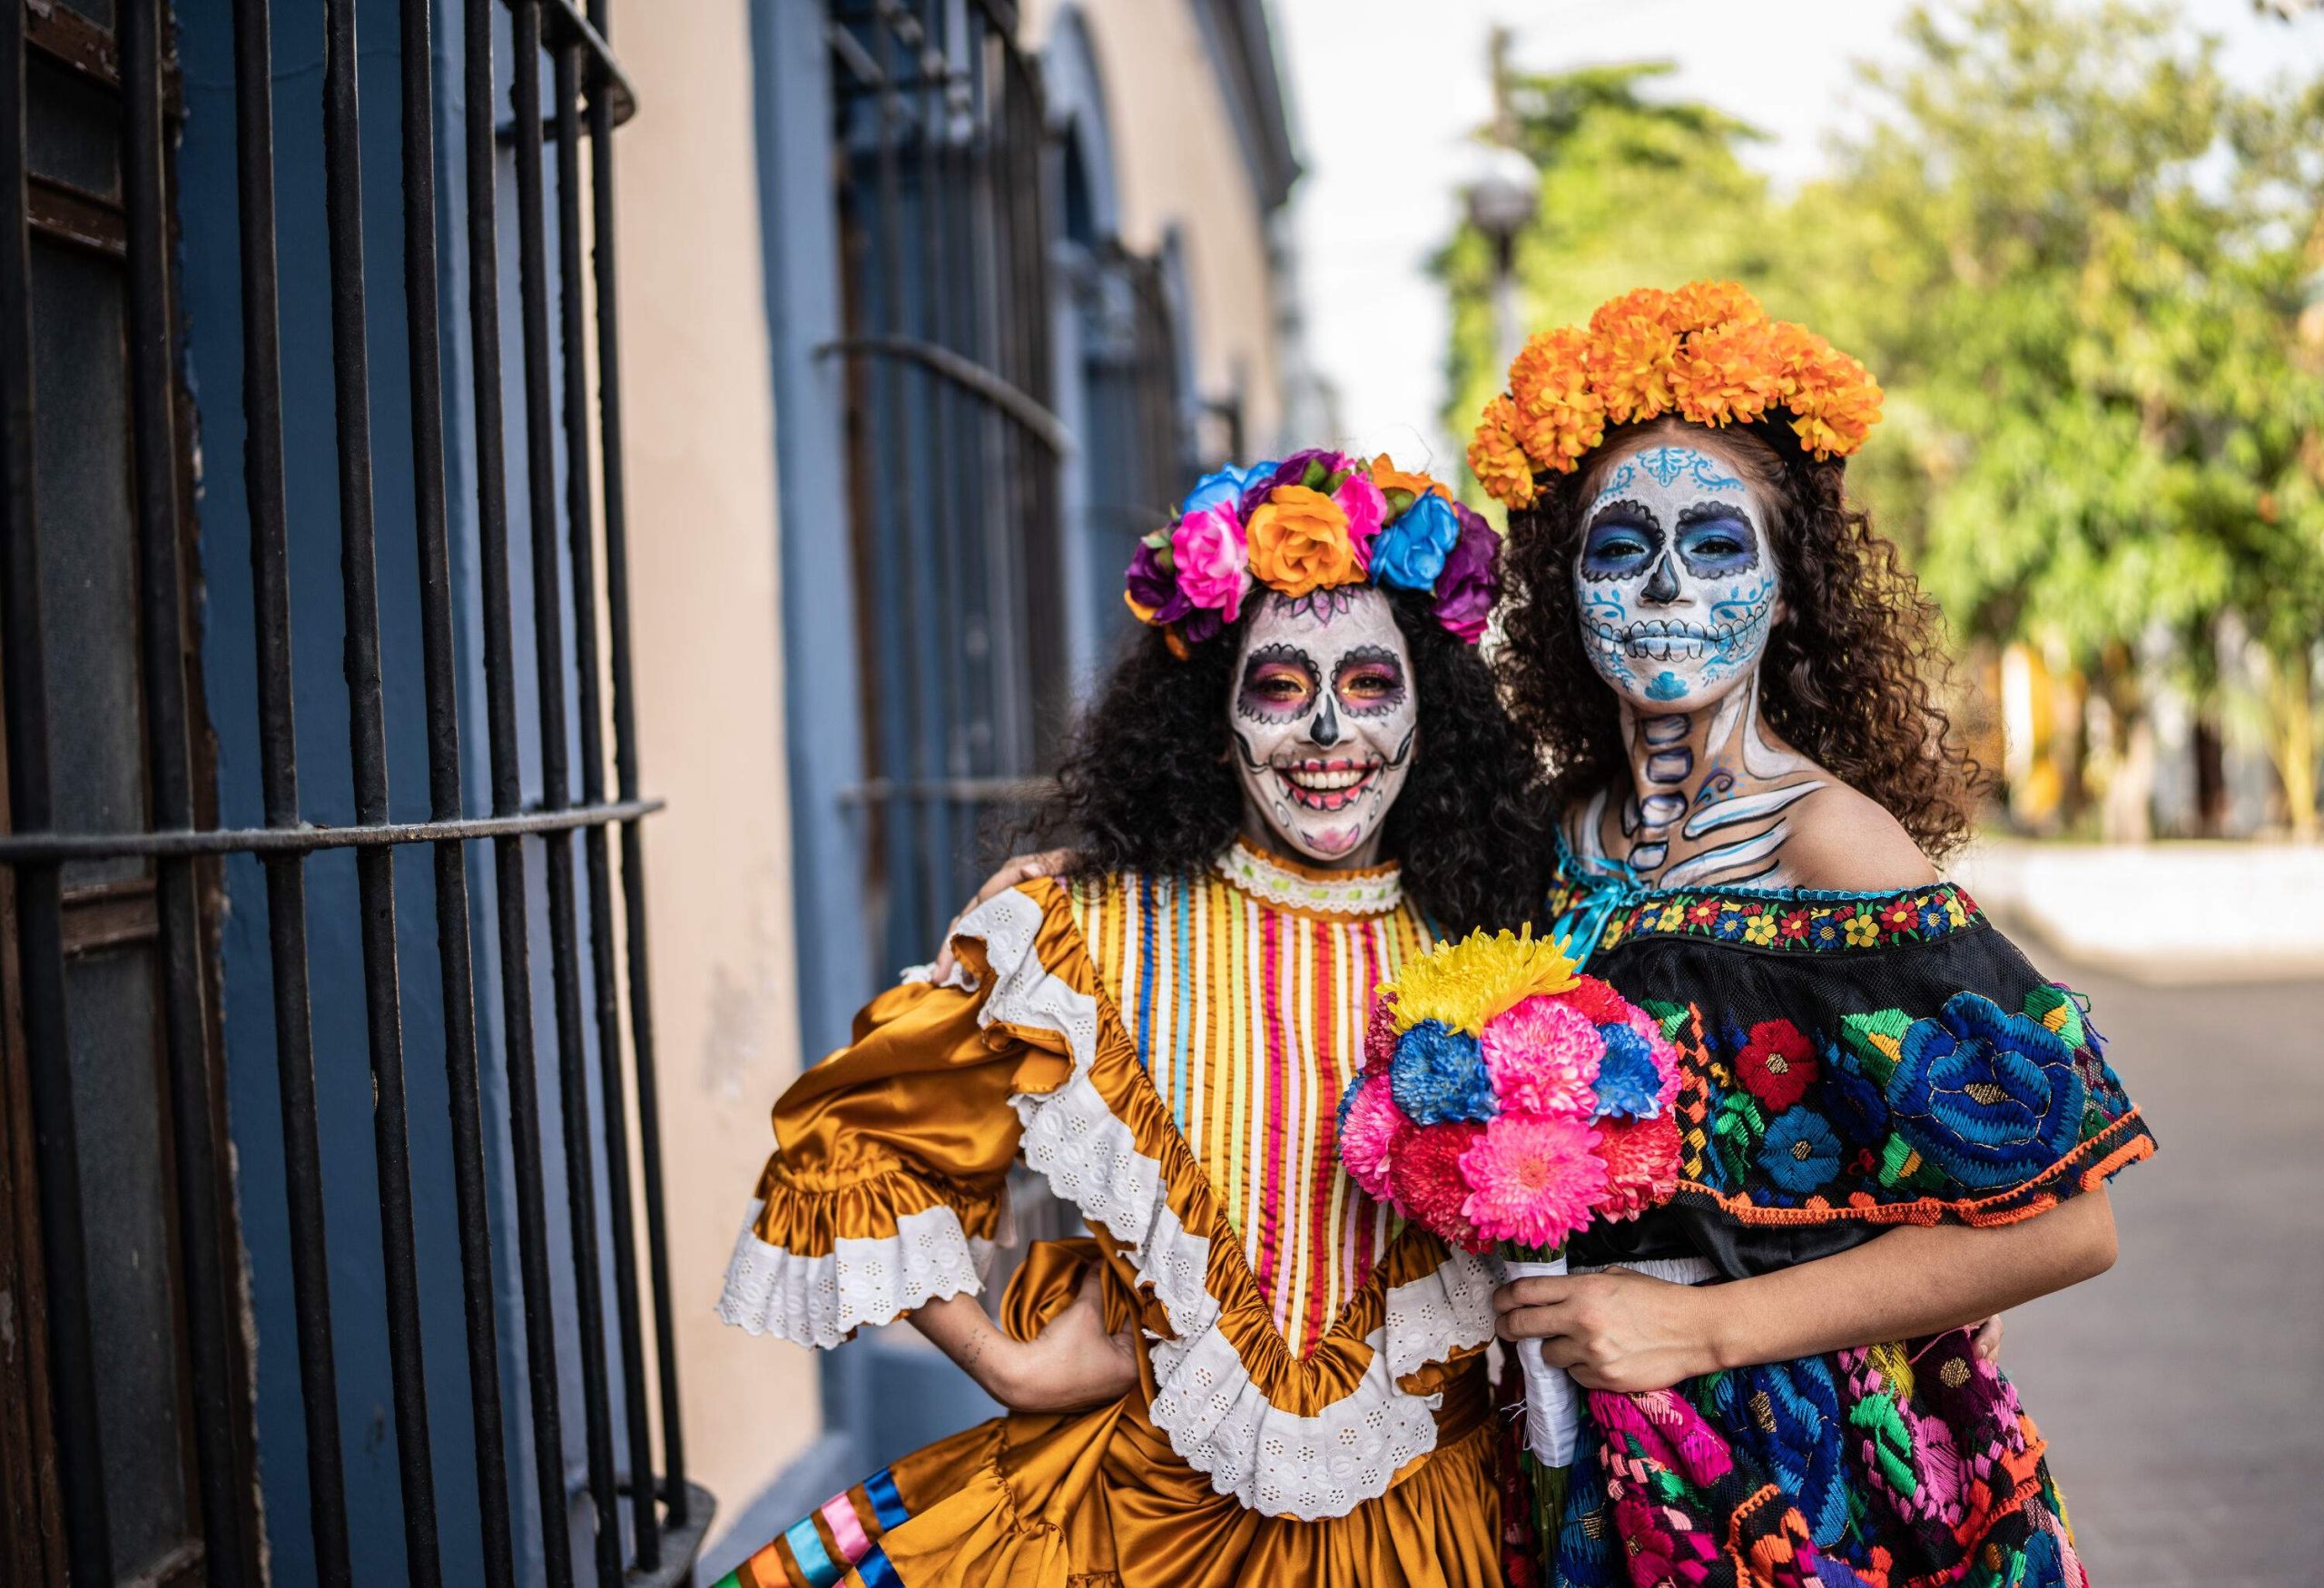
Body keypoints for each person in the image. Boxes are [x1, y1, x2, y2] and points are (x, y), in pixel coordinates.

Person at [712, 450, 1548, 1588]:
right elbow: (854, 1141)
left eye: (1366, 684)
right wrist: (1008, 1366)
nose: (1323, 734)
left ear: (1426, 713)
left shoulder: (1507, 946)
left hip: (1431, 1537)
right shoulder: (1080, 930)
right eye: (1277, 688)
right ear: (1213, 718)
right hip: (1121, 1524)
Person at [1466, 281, 2154, 1586]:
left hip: (1796, 1474)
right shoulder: (1548, 837)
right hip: (1562, 1458)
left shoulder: (1827, 843)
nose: (1666, 583)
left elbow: (2066, 1222)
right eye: (1620, 549)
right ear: (1567, 590)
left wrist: (1705, 1329)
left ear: (1788, 594)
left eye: (1717, 545)